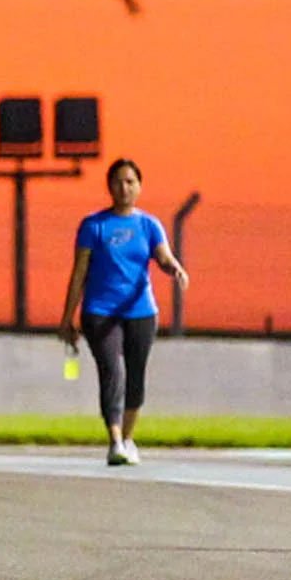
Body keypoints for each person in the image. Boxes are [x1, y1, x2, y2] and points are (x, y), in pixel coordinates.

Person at [58, 159, 187, 465]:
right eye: (118, 182)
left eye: (130, 182)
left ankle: (129, 438)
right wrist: (67, 318)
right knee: (112, 372)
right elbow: (79, 273)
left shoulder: (149, 225)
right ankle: (115, 439)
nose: (124, 188)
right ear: (109, 187)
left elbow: (163, 257)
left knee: (135, 375)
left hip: (140, 311)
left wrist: (175, 269)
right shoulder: (94, 226)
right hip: (100, 311)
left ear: (139, 187)